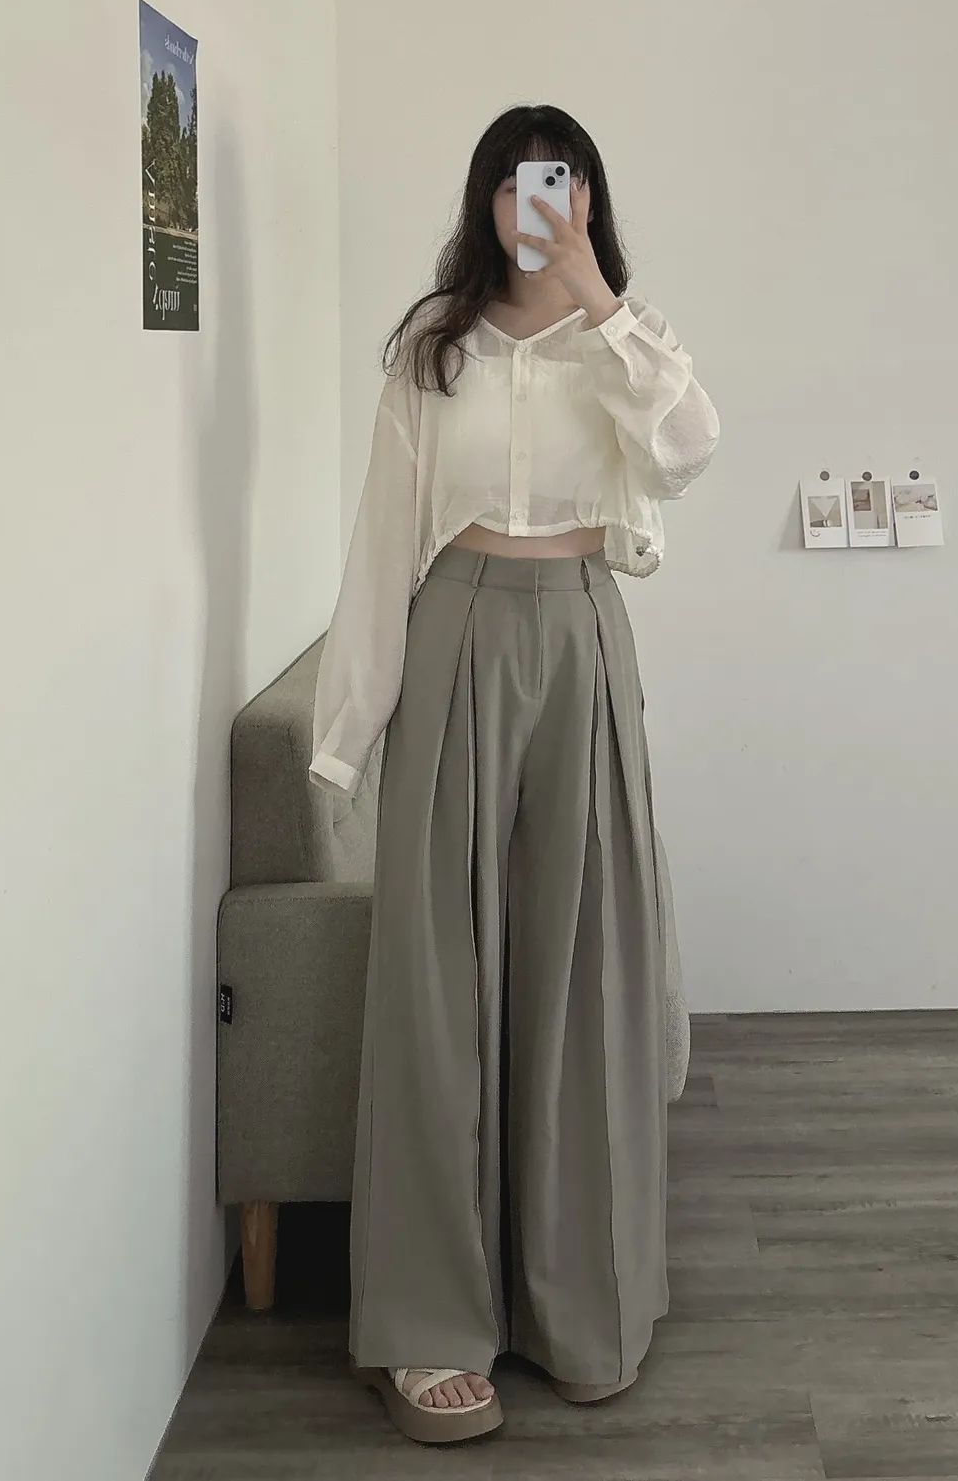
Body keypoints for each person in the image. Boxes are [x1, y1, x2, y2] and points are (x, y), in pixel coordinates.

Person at [309, 103, 720, 1444]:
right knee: (440, 984)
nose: (538, 204)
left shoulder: (628, 345)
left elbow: (688, 450)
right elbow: (384, 543)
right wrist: (347, 731)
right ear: (485, 200)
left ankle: (579, 1303)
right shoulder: (435, 352)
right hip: (460, 632)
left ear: (589, 199)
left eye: (564, 182)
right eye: (516, 183)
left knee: (584, 973)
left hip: (585, 637)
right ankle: (428, 1325)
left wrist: (599, 298)